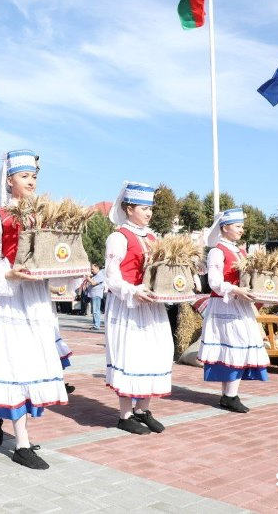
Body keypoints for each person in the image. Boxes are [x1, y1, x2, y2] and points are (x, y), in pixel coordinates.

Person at [0, 150, 68, 470]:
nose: (32, 181)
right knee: (14, 365)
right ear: (10, 181)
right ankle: (21, 443)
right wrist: (8, 274)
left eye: (34, 176)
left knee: (32, 366)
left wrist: (60, 274)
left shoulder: (43, 217)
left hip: (36, 300)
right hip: (11, 299)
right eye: (25, 176)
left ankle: (0, 415)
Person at [104, 182, 173, 435]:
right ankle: (124, 414)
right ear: (129, 208)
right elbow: (111, 277)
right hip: (128, 305)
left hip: (151, 306)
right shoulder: (118, 237)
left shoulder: (153, 237)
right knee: (130, 356)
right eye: (144, 208)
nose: (149, 213)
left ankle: (143, 409)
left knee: (155, 353)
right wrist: (133, 291)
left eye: (151, 208)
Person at [197, 208, 269, 413]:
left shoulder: (240, 251)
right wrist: (235, 289)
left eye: (242, 226)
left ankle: (229, 395)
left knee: (237, 347)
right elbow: (214, 281)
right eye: (238, 226)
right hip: (225, 304)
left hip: (239, 304)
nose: (241, 230)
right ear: (225, 227)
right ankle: (230, 396)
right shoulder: (217, 251)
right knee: (231, 347)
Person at [85, 263, 105, 330]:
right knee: (94, 310)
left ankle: (96, 325)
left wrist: (88, 278)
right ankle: (95, 324)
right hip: (93, 294)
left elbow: (93, 283)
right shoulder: (95, 275)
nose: (92, 270)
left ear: (97, 268)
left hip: (96, 295)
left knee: (96, 310)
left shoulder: (100, 275)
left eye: (93, 269)